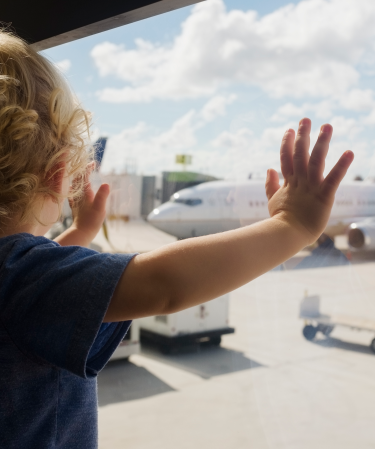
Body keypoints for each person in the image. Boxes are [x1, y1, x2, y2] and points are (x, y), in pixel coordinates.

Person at [0, 30, 354, 449]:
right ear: (60, 175)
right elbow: (164, 285)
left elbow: (30, 293)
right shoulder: (24, 276)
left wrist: (79, 235)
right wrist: (293, 225)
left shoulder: (20, 277)